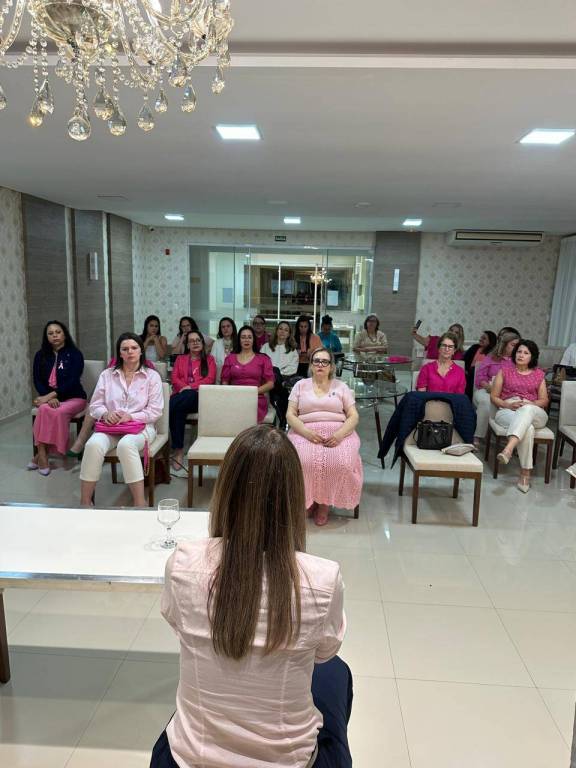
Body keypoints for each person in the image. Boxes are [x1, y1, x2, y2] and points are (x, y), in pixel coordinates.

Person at [150, 425, 352, 768]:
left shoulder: (183, 562)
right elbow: (324, 652)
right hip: (289, 762)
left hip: (188, 759)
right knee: (336, 672)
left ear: (226, 489)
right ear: (293, 498)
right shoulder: (322, 579)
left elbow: (177, 623)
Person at [79, 333, 164, 507]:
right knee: (92, 445)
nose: (130, 352)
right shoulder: (107, 375)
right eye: (125, 349)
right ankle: (85, 502)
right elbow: (95, 405)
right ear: (119, 353)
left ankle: (140, 502)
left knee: (126, 445)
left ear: (141, 351)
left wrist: (130, 416)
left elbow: (155, 411)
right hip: (111, 427)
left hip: (141, 427)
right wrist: (105, 414)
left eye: (134, 348)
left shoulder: (152, 376)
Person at [287, 347, 362, 526]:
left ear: (331, 366)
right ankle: (309, 499)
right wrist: (305, 432)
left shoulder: (341, 387)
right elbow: (290, 414)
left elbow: (353, 416)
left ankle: (324, 504)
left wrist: (339, 435)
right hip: (305, 430)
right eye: (316, 361)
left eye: (325, 361)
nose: (320, 365)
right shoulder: (300, 385)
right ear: (311, 365)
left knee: (339, 462)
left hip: (338, 431)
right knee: (303, 461)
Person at [490, 339, 549, 493]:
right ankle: (525, 474)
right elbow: (494, 397)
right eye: (519, 352)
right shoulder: (504, 371)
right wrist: (508, 405)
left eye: (526, 353)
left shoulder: (539, 374)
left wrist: (530, 403)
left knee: (527, 409)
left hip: (534, 410)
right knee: (527, 428)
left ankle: (508, 449)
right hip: (508, 409)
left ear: (532, 356)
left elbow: (544, 400)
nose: (521, 355)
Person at [28, 321, 87, 475]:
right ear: (46, 337)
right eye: (50, 333)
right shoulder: (40, 355)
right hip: (50, 399)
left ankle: (41, 454)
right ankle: (42, 454)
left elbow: (73, 380)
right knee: (44, 409)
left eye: (58, 332)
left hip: (74, 397)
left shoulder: (75, 354)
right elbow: (37, 380)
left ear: (64, 334)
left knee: (57, 411)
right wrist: (48, 399)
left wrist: (50, 396)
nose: (55, 335)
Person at [169, 331, 217, 474]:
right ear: (187, 345)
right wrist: (185, 389)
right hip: (182, 397)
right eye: (191, 341)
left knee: (177, 403)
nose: (195, 343)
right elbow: (174, 378)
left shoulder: (209, 360)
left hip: (199, 397)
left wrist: (190, 387)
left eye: (198, 340)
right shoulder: (180, 359)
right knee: (178, 409)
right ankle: (179, 449)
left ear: (202, 343)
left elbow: (210, 379)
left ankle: (176, 449)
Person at [472, 332, 520, 444]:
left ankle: (510, 437)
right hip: (487, 390)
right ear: (504, 344)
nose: (517, 348)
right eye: (513, 345)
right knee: (486, 402)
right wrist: (488, 386)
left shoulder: (519, 360)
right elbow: (480, 377)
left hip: (508, 393)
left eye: (518, 345)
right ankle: (478, 436)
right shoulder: (491, 358)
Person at [221, 325, 274, 422]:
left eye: (249, 337)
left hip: (255, 398)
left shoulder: (263, 359)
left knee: (245, 409)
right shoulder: (230, 358)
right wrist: (230, 394)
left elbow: (270, 383)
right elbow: (225, 381)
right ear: (239, 340)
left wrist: (251, 392)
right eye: (243, 337)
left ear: (253, 340)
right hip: (234, 397)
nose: (246, 340)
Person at [261, 322, 299, 429]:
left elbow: (293, 368)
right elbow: (260, 363)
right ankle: (282, 419)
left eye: (286, 330)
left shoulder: (292, 350)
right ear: (276, 331)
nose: (282, 331)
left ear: (289, 334)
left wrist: (278, 373)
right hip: (267, 379)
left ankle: (279, 417)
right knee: (274, 371)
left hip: (283, 380)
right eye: (280, 329)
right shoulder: (266, 347)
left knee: (276, 372)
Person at [463, 330, 497, 398]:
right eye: (481, 337)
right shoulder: (475, 347)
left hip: (484, 377)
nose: (480, 339)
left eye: (484, 338)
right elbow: (464, 359)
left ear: (490, 341)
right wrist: (465, 370)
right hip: (469, 373)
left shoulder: (493, 353)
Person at [210, 316, 237, 383]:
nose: (225, 328)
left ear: (233, 327)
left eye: (228, 326)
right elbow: (212, 362)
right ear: (220, 329)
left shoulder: (239, 342)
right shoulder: (217, 343)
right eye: (223, 327)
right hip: (219, 377)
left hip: (235, 377)